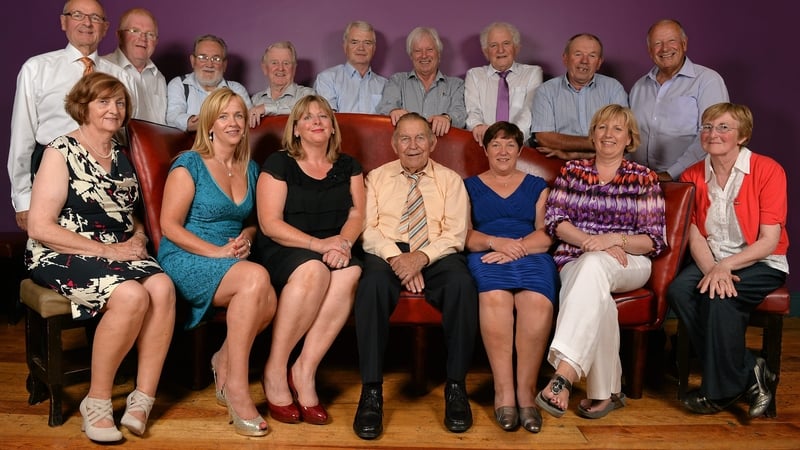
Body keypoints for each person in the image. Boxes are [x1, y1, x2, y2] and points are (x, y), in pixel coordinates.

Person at [25, 72, 175, 443]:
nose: (114, 109)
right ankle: (98, 401)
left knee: (163, 286)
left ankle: (142, 399)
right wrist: (110, 251)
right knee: (131, 295)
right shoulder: (60, 151)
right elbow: (40, 227)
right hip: (62, 250)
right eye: (104, 102)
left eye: (120, 102)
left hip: (118, 247)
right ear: (83, 107)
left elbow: (130, 213)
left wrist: (139, 236)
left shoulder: (121, 154)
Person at [157, 88, 277, 436]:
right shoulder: (189, 163)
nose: (233, 122)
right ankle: (236, 387)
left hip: (231, 258)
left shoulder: (250, 169)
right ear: (209, 124)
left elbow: (252, 221)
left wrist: (246, 240)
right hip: (187, 255)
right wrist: (217, 252)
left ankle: (222, 357)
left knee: (270, 299)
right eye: (224, 116)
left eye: (239, 115)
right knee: (257, 280)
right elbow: (169, 226)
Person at [536, 104, 666, 420]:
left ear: (629, 138)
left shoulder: (644, 178)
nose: (608, 135)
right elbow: (555, 219)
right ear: (593, 134)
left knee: (594, 265)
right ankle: (606, 392)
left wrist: (613, 241)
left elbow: (653, 239)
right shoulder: (572, 171)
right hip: (574, 258)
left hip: (629, 262)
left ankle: (564, 373)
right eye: (602, 127)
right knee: (600, 298)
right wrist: (589, 243)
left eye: (617, 129)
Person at [353, 112, 478, 439]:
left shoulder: (450, 180)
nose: (412, 145)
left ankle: (456, 386)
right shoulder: (376, 178)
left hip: (435, 250)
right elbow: (367, 230)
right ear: (394, 144)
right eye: (404, 139)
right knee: (372, 285)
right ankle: (371, 391)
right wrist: (399, 259)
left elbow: (455, 235)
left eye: (420, 138)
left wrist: (420, 258)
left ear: (432, 142)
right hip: (388, 250)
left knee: (462, 285)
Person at [667, 103, 789, 418]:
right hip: (713, 259)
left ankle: (718, 392)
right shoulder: (693, 173)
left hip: (760, 261)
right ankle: (750, 371)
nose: (713, 133)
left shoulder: (768, 170)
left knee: (719, 297)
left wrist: (724, 269)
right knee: (680, 290)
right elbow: (694, 232)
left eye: (724, 127)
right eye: (707, 126)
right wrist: (712, 268)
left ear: (743, 136)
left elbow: (768, 241)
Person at [254, 95, 365, 426]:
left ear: (332, 128)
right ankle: (275, 368)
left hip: (334, 243)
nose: (317, 121)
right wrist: (319, 245)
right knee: (314, 270)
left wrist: (343, 243)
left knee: (348, 273)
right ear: (297, 129)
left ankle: (304, 369)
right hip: (286, 245)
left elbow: (357, 212)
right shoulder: (279, 163)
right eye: (307, 117)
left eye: (323, 117)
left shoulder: (349, 165)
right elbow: (270, 223)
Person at [8, 0, 137, 231]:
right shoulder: (37, 68)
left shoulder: (121, 76)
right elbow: (22, 137)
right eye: (78, 15)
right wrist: (23, 199)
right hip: (53, 174)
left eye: (96, 18)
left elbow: (130, 136)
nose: (87, 23)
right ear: (63, 21)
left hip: (107, 178)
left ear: (105, 27)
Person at [464, 121, 557, 433]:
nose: (502, 151)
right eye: (496, 144)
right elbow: (465, 236)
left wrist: (514, 248)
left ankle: (526, 394)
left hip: (531, 253)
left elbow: (545, 237)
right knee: (495, 298)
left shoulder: (538, 186)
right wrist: (496, 244)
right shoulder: (468, 186)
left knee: (537, 303)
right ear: (486, 149)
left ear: (519, 150)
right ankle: (503, 392)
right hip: (486, 253)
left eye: (509, 145)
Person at [629, 19, 729, 181]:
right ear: (649, 50)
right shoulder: (639, 87)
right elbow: (629, 135)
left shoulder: (707, 80)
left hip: (689, 181)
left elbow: (712, 134)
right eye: (658, 43)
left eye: (671, 41)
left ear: (684, 44)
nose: (665, 48)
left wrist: (670, 174)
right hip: (641, 183)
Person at [531, 33, 628, 160]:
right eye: (578, 54)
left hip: (605, 164)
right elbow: (545, 138)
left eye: (592, 56)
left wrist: (574, 153)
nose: (584, 61)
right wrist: (601, 143)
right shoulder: (546, 91)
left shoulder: (613, 88)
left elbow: (622, 139)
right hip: (560, 165)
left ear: (599, 62)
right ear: (565, 58)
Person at [376, 27, 467, 137]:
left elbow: (461, 114)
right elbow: (385, 107)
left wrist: (447, 118)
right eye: (417, 51)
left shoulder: (456, 85)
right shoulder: (397, 81)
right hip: (405, 152)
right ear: (411, 56)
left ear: (438, 53)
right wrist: (393, 111)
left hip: (445, 151)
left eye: (429, 49)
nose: (424, 55)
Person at [464, 22, 542, 144]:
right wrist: (478, 126)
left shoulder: (533, 73)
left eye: (506, 43)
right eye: (493, 45)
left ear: (516, 48)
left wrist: (511, 140)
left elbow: (529, 111)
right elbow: (473, 111)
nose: (500, 50)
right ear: (485, 51)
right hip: (485, 145)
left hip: (521, 147)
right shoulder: (474, 75)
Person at [166, 34, 252, 132]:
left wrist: (204, 121)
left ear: (224, 65)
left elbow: (248, 120)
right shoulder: (179, 84)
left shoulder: (236, 89)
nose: (209, 64)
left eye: (216, 59)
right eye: (203, 57)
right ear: (193, 61)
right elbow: (173, 118)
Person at [103, 7, 166, 124]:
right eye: (135, 31)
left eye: (150, 34)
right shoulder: (102, 69)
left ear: (156, 41)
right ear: (119, 35)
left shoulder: (159, 78)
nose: (143, 38)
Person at [314, 21, 387, 113]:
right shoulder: (327, 79)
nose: (361, 48)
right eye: (354, 42)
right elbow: (328, 119)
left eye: (367, 43)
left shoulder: (385, 85)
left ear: (374, 49)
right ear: (345, 46)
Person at [249, 41, 315, 128]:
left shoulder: (307, 95)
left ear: (294, 69)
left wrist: (266, 108)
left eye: (286, 63)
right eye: (274, 63)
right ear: (265, 68)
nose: (280, 68)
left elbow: (302, 111)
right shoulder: (255, 100)